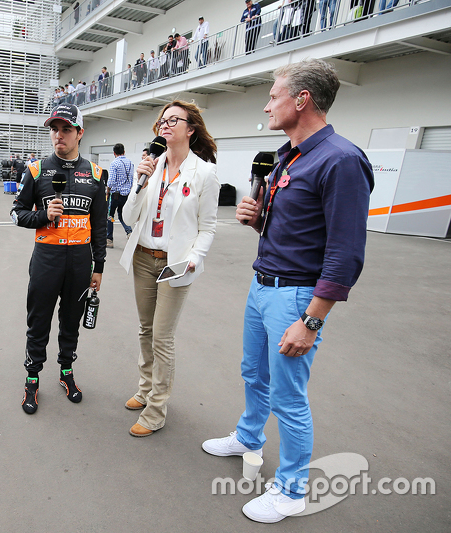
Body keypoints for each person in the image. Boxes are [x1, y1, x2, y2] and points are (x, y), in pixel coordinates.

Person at [201, 59, 373, 523]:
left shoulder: (340, 159)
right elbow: (296, 231)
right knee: (252, 374)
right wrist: (260, 221)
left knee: (288, 396)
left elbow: (345, 254)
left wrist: (311, 321)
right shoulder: (288, 155)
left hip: (296, 298)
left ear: (302, 100)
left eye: (274, 96)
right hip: (262, 287)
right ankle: (248, 436)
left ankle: (292, 489)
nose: (267, 104)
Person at [118, 101, 220, 437]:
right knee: (145, 330)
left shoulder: (203, 173)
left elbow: (208, 226)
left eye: (174, 120)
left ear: (190, 129)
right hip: (144, 258)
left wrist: (195, 256)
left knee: (162, 337)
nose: (165, 124)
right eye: (162, 120)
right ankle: (145, 389)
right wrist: (139, 183)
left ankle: (156, 410)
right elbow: (129, 218)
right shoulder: (152, 166)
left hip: (176, 264)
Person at [11, 103, 107, 415]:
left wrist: (99, 267)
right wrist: (42, 215)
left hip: (80, 261)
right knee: (38, 321)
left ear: (80, 132)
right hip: (47, 259)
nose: (58, 135)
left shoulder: (95, 174)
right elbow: (16, 213)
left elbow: (100, 227)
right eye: (54, 129)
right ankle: (32, 377)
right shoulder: (36, 169)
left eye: (66, 129)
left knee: (71, 321)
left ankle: (66, 372)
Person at [106, 143, 134, 248]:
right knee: (122, 215)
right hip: (126, 195)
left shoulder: (114, 163)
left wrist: (108, 191)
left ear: (114, 153)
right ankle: (129, 232)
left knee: (110, 216)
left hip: (115, 195)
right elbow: (131, 179)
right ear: (124, 152)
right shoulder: (130, 163)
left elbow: (111, 181)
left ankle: (109, 240)